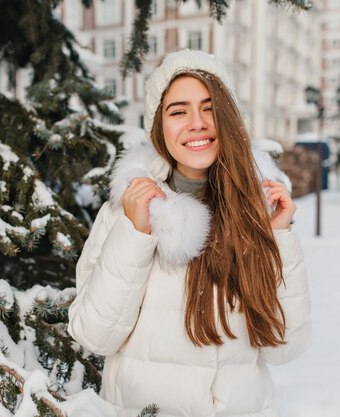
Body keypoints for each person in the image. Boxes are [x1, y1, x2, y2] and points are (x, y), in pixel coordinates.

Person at [68, 49, 311, 417]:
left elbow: (285, 346)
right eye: (178, 111)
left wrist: (278, 238)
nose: (197, 123)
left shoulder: (259, 214)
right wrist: (135, 233)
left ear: (229, 119)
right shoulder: (127, 211)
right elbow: (94, 336)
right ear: (159, 128)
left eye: (210, 108)